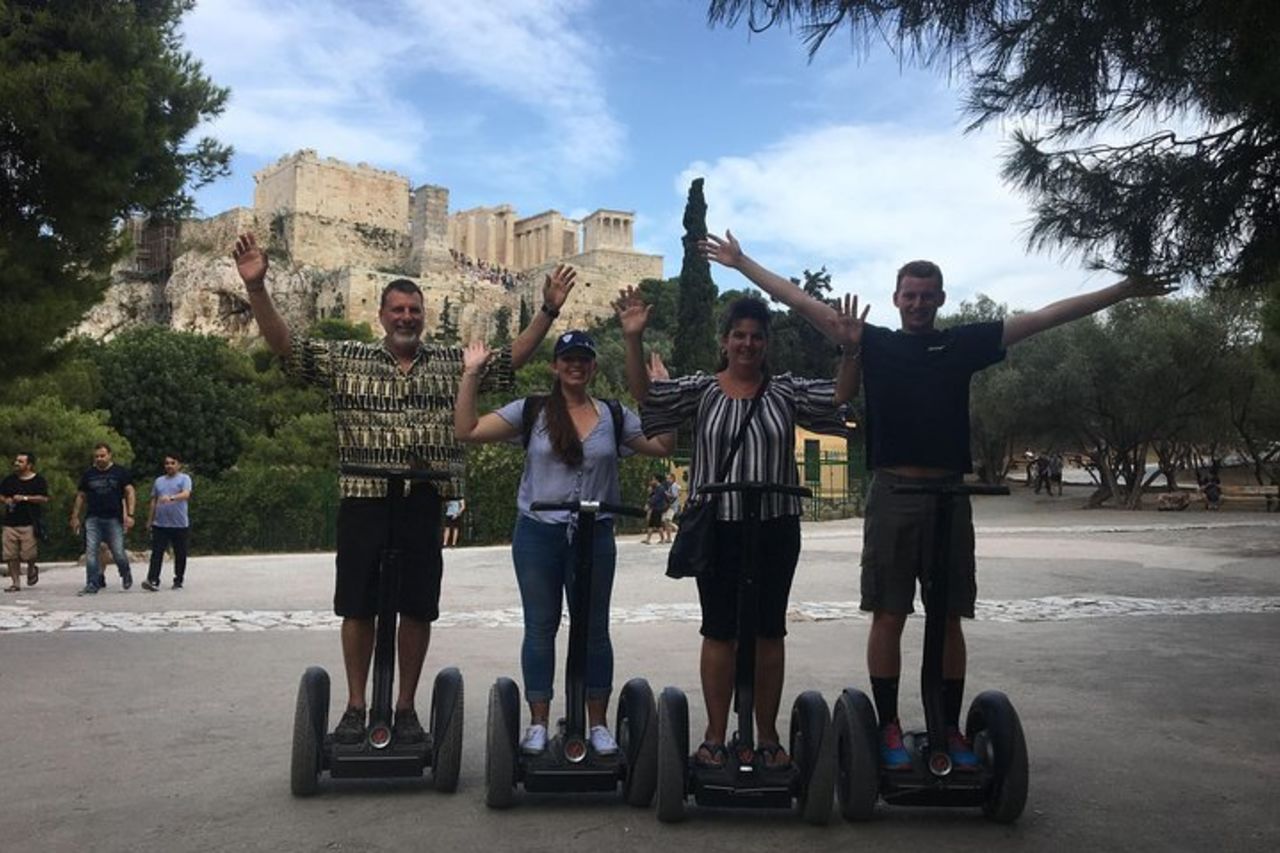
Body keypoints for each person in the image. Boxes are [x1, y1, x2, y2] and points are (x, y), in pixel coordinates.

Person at [700, 228, 1175, 771]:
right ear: (897, 298)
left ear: (940, 300)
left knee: (948, 615)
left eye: (928, 296)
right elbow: (797, 298)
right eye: (910, 295)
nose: (919, 303)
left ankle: (949, 725)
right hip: (894, 492)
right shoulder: (873, 342)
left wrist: (1119, 292)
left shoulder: (963, 343)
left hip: (949, 494)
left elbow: (1044, 317)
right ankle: (888, 727)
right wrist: (740, 263)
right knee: (889, 613)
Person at [233, 231, 574, 746]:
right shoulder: (348, 359)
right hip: (364, 498)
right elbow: (287, 347)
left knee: (417, 606)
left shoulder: (451, 364)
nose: (407, 317)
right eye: (398, 309)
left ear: (424, 314)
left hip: (424, 498)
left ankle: (407, 706)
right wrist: (257, 288)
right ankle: (353, 706)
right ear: (382, 315)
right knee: (358, 605)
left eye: (415, 309)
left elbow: (511, 361)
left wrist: (547, 311)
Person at [619, 290, 859, 770]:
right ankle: (713, 733)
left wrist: (851, 350)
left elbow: (839, 396)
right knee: (720, 631)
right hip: (719, 528)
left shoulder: (785, 391)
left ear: (766, 344)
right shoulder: (703, 390)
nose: (747, 344)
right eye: (739, 336)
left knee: (770, 631)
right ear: (725, 341)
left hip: (774, 525)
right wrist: (632, 337)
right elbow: (646, 396)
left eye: (756, 337)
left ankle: (766, 734)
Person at [454, 330, 674, 755]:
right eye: (568, 358)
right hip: (539, 531)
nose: (576, 365)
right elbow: (466, 429)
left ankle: (597, 723)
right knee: (540, 627)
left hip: (595, 533)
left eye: (584, 359)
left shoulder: (613, 414)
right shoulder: (533, 410)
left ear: (593, 367)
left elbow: (663, 443)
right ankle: (537, 721)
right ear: (555, 365)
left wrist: (661, 394)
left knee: (595, 630)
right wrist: (470, 375)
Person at [70, 443, 136, 595]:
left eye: (102, 455)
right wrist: (75, 516)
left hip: (114, 518)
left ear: (109, 455)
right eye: (96, 456)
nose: (99, 459)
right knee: (91, 551)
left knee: (118, 552)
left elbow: (130, 492)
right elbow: (81, 496)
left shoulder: (120, 472)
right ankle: (92, 583)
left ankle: (125, 572)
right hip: (93, 518)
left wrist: (130, 514)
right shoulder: (89, 474)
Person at [142, 454, 193, 591]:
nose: (169, 466)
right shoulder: (159, 481)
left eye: (172, 463)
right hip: (160, 524)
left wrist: (171, 497)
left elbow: (186, 494)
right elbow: (154, 500)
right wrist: (150, 520)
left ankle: (178, 580)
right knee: (157, 553)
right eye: (167, 463)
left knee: (180, 553)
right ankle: (152, 579)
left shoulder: (184, 479)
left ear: (178, 465)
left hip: (179, 524)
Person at [1, 452, 50, 592]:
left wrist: (25, 498)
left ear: (29, 465)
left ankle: (31, 568)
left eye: (21, 461)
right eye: (16, 461)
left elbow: (44, 498)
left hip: (29, 522)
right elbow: (2, 495)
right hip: (10, 523)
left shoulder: (38, 480)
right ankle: (15, 583)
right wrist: (6, 500)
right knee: (10, 555)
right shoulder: (9, 480)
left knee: (29, 554)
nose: (17, 463)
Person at [642, 473, 670, 544]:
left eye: (653, 479)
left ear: (657, 480)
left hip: (658, 508)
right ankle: (648, 539)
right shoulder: (657, 488)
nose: (652, 481)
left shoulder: (660, 488)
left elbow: (655, 498)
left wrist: (648, 504)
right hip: (656, 507)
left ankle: (662, 539)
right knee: (652, 524)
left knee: (657, 524)